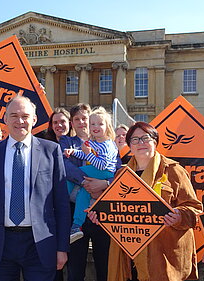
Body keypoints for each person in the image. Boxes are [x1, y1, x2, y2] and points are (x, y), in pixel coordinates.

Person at [0, 96, 70, 281]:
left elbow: (62, 204)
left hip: (40, 243)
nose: (20, 121)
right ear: (5, 119)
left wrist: (62, 247)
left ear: (34, 119)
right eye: (14, 115)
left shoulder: (52, 151)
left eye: (25, 116)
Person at [90, 121, 203, 281]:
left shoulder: (174, 170)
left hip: (164, 258)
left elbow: (195, 209)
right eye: (135, 140)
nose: (140, 143)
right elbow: (116, 213)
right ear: (129, 145)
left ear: (155, 142)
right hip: (129, 259)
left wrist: (179, 216)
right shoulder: (121, 175)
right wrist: (101, 218)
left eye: (145, 138)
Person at [60, 103, 120, 281]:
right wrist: (87, 183)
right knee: (76, 267)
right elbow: (66, 167)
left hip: (101, 211)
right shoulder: (66, 141)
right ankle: (75, 226)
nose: (82, 123)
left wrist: (104, 184)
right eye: (76, 119)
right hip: (76, 209)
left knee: (104, 263)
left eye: (84, 119)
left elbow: (116, 170)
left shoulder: (107, 144)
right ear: (72, 123)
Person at [63, 107, 118, 243]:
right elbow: (85, 154)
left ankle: (62, 204)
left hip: (103, 172)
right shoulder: (94, 142)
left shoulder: (108, 145)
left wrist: (87, 153)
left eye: (100, 124)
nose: (95, 127)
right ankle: (76, 225)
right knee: (82, 192)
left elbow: (101, 164)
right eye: (93, 124)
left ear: (107, 126)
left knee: (71, 180)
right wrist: (73, 152)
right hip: (95, 171)